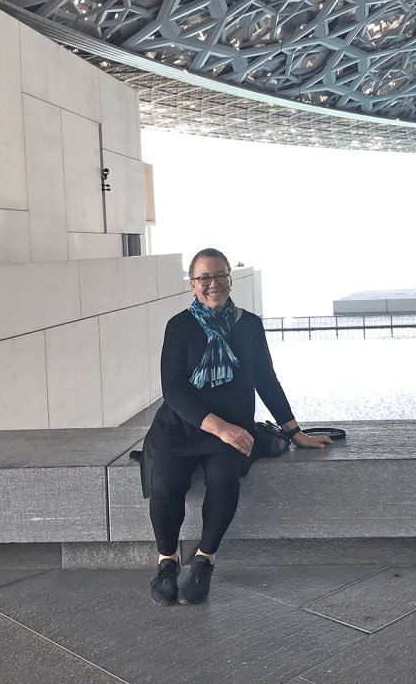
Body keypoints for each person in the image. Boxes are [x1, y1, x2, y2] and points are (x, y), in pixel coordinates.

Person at [139, 247, 332, 605]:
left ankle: (204, 562)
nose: (214, 284)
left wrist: (294, 431)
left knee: (224, 478)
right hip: (180, 428)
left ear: (231, 278)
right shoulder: (179, 326)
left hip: (230, 430)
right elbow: (174, 391)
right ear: (193, 285)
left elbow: (267, 381)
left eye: (220, 276)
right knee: (165, 482)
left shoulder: (250, 325)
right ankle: (167, 562)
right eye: (204, 278)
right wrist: (221, 428)